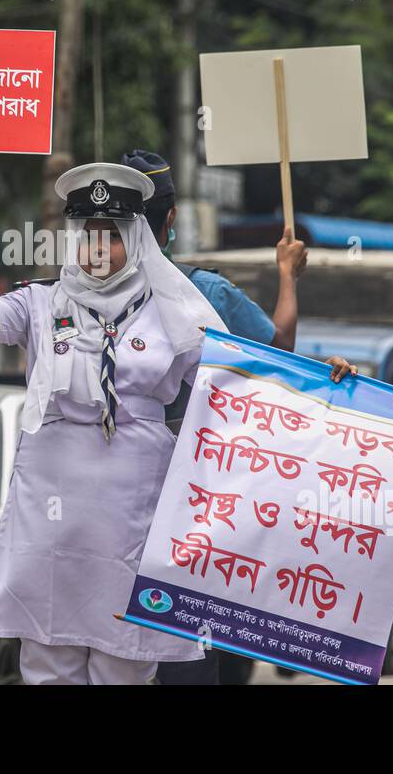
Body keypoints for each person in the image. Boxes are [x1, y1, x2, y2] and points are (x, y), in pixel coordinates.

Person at [0, 161, 227, 684]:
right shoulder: (41, 303)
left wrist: (330, 379)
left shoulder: (178, 312)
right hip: (50, 524)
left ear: (136, 239)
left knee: (125, 663)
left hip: (132, 525)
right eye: (87, 235)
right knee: (48, 661)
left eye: (111, 237)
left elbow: (246, 384)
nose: (98, 249)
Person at [121, 148, 356, 685]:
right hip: (196, 534)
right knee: (186, 665)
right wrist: (288, 277)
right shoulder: (207, 294)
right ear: (172, 220)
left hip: (113, 526)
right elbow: (279, 358)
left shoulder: (77, 303)